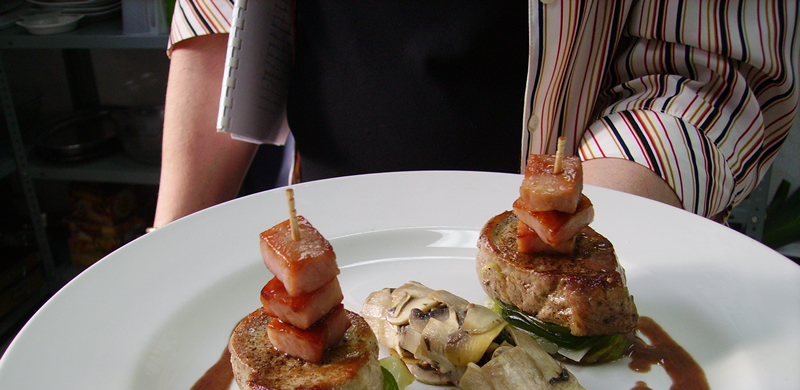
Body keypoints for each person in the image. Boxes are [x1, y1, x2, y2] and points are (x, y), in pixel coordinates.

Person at [153, 0, 798, 229]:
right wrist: (163, 249)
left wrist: (551, 271)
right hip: (324, 220)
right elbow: (224, 17)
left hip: (564, 238)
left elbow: (702, 72)